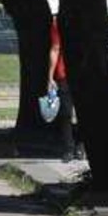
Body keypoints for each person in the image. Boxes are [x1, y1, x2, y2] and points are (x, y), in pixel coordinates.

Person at [47, 12, 80, 161]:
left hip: (84, 73)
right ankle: (69, 147)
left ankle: (81, 146)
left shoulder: (88, 21)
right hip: (64, 72)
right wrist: (50, 76)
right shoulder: (58, 23)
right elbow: (55, 48)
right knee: (66, 112)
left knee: (83, 112)